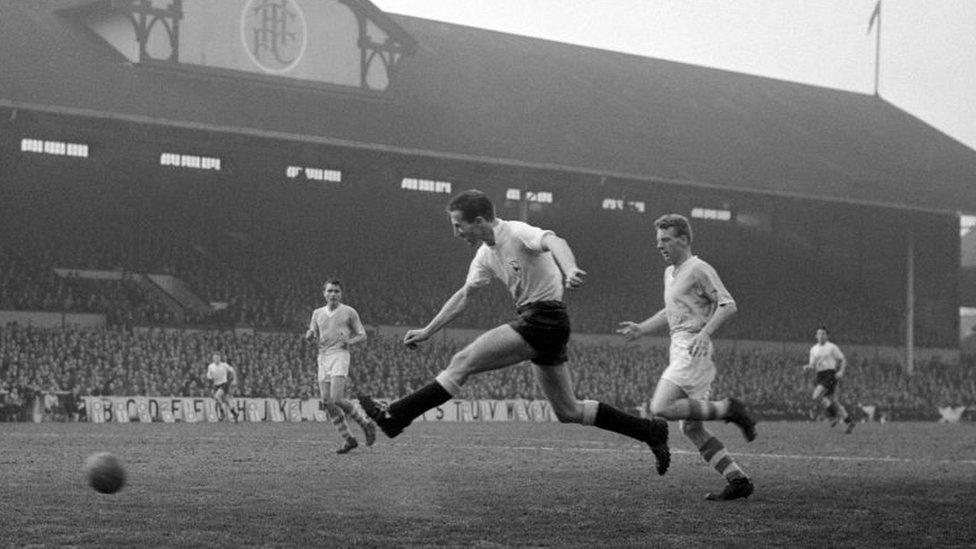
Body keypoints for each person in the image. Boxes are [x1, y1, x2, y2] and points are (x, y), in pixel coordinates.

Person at [358, 189, 670, 475]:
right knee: (568, 410)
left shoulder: (517, 232)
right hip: (544, 323)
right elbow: (466, 295)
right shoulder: (484, 254)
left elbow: (554, 242)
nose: (456, 233)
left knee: (462, 361)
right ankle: (650, 431)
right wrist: (428, 329)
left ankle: (395, 417)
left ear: (479, 221)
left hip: (544, 318)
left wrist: (570, 269)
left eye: (458, 225)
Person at [617, 213, 756, 501]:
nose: (660, 246)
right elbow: (670, 311)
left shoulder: (699, 268)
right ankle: (737, 479)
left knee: (661, 407)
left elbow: (728, 304)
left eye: (665, 240)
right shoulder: (670, 274)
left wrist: (705, 333)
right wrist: (641, 328)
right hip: (679, 346)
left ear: (683, 239)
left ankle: (728, 408)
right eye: (658, 241)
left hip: (693, 347)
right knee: (691, 428)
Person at [306, 279, 376, 454]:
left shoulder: (349, 312)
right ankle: (349, 440)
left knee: (337, 398)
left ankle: (365, 423)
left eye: (336, 291)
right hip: (323, 357)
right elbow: (312, 331)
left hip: (340, 354)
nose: (333, 294)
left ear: (341, 294)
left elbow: (362, 335)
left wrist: (349, 340)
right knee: (327, 401)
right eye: (330, 291)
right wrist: (309, 334)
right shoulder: (317, 313)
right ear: (324, 293)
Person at [802, 327, 855, 434]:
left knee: (816, 395)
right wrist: (807, 367)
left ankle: (833, 416)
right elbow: (812, 365)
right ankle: (849, 421)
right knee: (833, 402)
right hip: (820, 375)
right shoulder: (813, 349)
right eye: (819, 334)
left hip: (830, 374)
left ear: (827, 336)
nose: (821, 336)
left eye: (823, 334)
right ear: (816, 336)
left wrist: (841, 371)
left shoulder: (832, 347)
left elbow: (843, 359)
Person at [206, 352, 240, 423]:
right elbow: (209, 374)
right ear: (213, 359)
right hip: (216, 385)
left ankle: (222, 412)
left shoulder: (224, 365)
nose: (216, 359)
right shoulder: (210, 366)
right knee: (226, 401)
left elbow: (233, 370)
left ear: (220, 358)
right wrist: (209, 376)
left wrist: (235, 379)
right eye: (215, 358)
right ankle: (235, 413)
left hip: (224, 384)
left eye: (218, 358)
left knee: (217, 396)